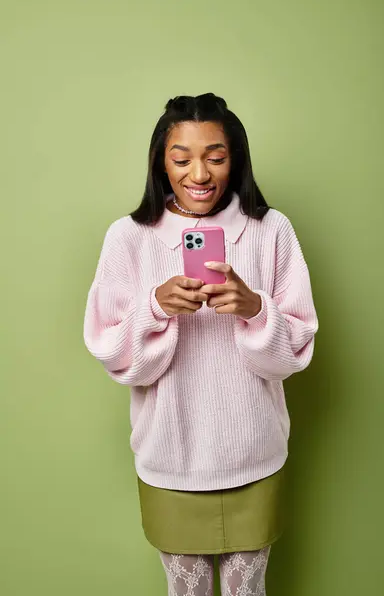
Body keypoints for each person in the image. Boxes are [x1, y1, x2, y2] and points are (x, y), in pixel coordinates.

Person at [83, 93, 318, 596]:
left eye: (215, 157)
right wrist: (155, 307)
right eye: (181, 158)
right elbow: (112, 352)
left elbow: (296, 350)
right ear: (160, 162)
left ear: (235, 160)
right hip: (170, 456)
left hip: (254, 455)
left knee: (247, 590)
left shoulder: (271, 231)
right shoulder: (128, 238)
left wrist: (254, 308)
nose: (200, 174)